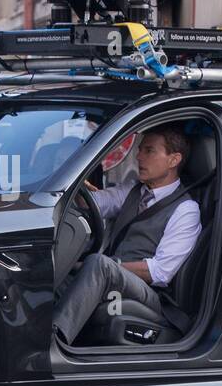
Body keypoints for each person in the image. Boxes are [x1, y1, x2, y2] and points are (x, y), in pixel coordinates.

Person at [52, 124, 203, 345]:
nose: (139, 157)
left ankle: (56, 340)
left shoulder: (186, 210)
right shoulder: (132, 190)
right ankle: (35, 330)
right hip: (112, 275)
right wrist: (74, 179)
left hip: (151, 294)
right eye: (140, 149)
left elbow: (160, 272)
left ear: (174, 160)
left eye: (149, 151)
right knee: (68, 268)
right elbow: (93, 203)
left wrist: (110, 266)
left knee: (97, 265)